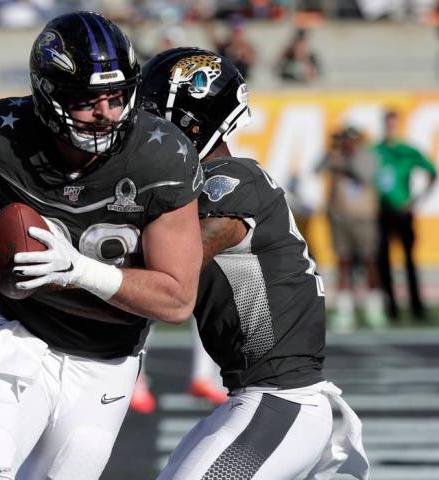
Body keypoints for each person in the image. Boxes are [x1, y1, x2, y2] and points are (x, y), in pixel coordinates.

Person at [0, 11, 203, 480]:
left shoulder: (159, 154)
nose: (105, 112)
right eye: (89, 100)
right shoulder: (2, 135)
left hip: (108, 360)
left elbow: (177, 297)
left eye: (115, 96)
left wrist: (79, 270)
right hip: (20, 335)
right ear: (49, 95)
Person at [141, 47, 368, 480]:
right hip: (259, 398)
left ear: (190, 122)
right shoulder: (205, 185)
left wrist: (81, 264)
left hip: (282, 400)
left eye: (152, 119)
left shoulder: (228, 184)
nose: (143, 132)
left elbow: (169, 269)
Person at [317, 127, 386, 332]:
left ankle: (374, 309)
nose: (348, 144)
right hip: (340, 218)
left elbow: (364, 176)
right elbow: (317, 169)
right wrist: (331, 151)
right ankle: (345, 310)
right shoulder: (336, 156)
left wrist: (346, 159)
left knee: (369, 260)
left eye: (351, 141)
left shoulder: (368, 156)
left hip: (364, 218)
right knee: (343, 262)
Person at [374, 109, 437, 322]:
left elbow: (431, 172)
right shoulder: (376, 150)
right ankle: (391, 308)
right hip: (382, 211)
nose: (390, 128)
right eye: (387, 123)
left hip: (402, 212)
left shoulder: (407, 150)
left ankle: (416, 307)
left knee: (409, 259)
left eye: (393, 123)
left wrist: (417, 200)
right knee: (383, 260)